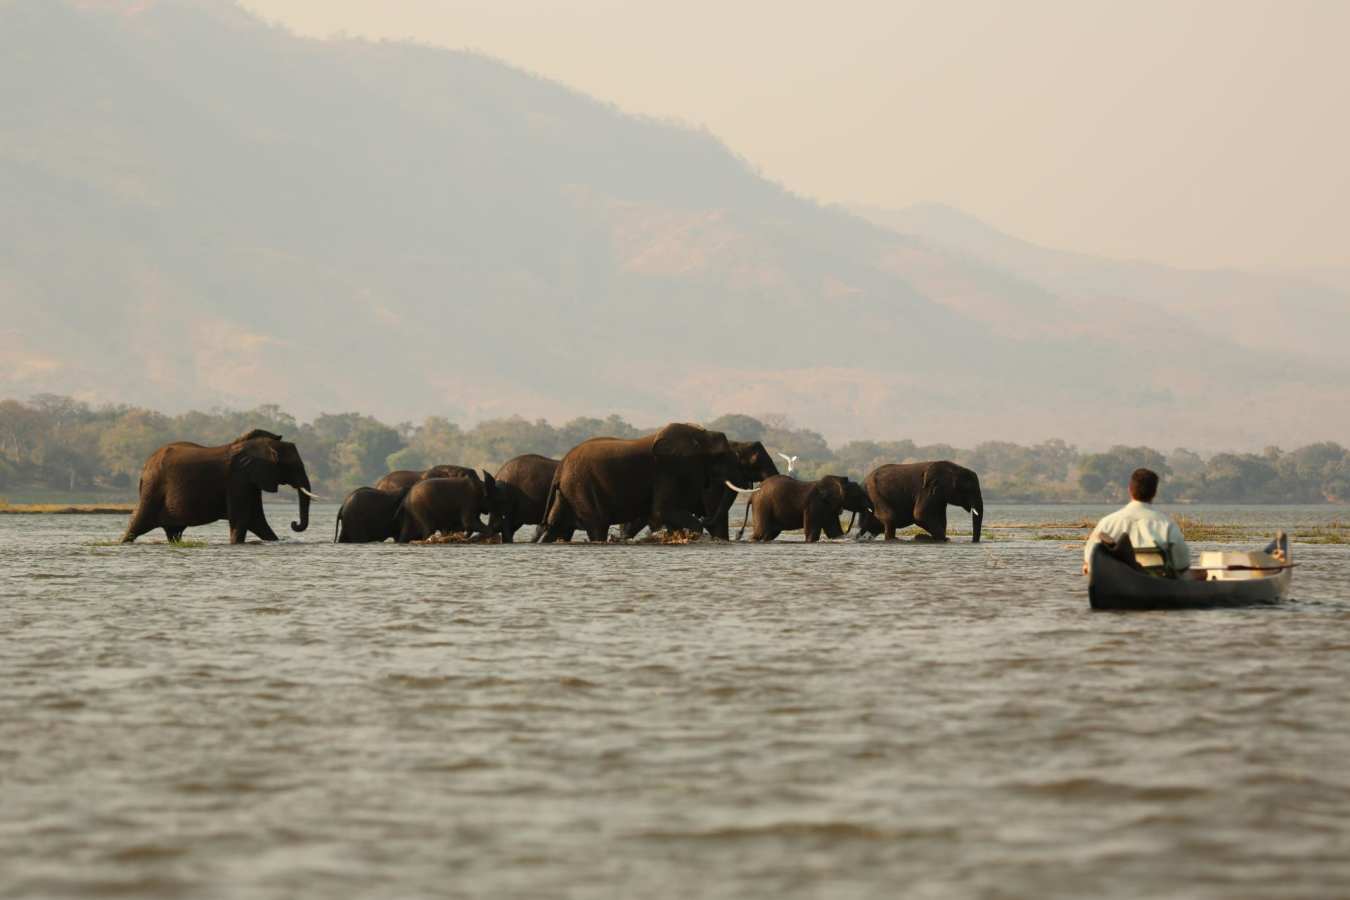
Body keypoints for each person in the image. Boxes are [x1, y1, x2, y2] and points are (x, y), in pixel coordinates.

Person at [1082, 468, 1191, 575]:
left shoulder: (1107, 522)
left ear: (1130, 489)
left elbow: (1090, 558)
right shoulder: (1167, 525)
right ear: (1154, 492)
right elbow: (1182, 563)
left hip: (1118, 583)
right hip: (1158, 585)